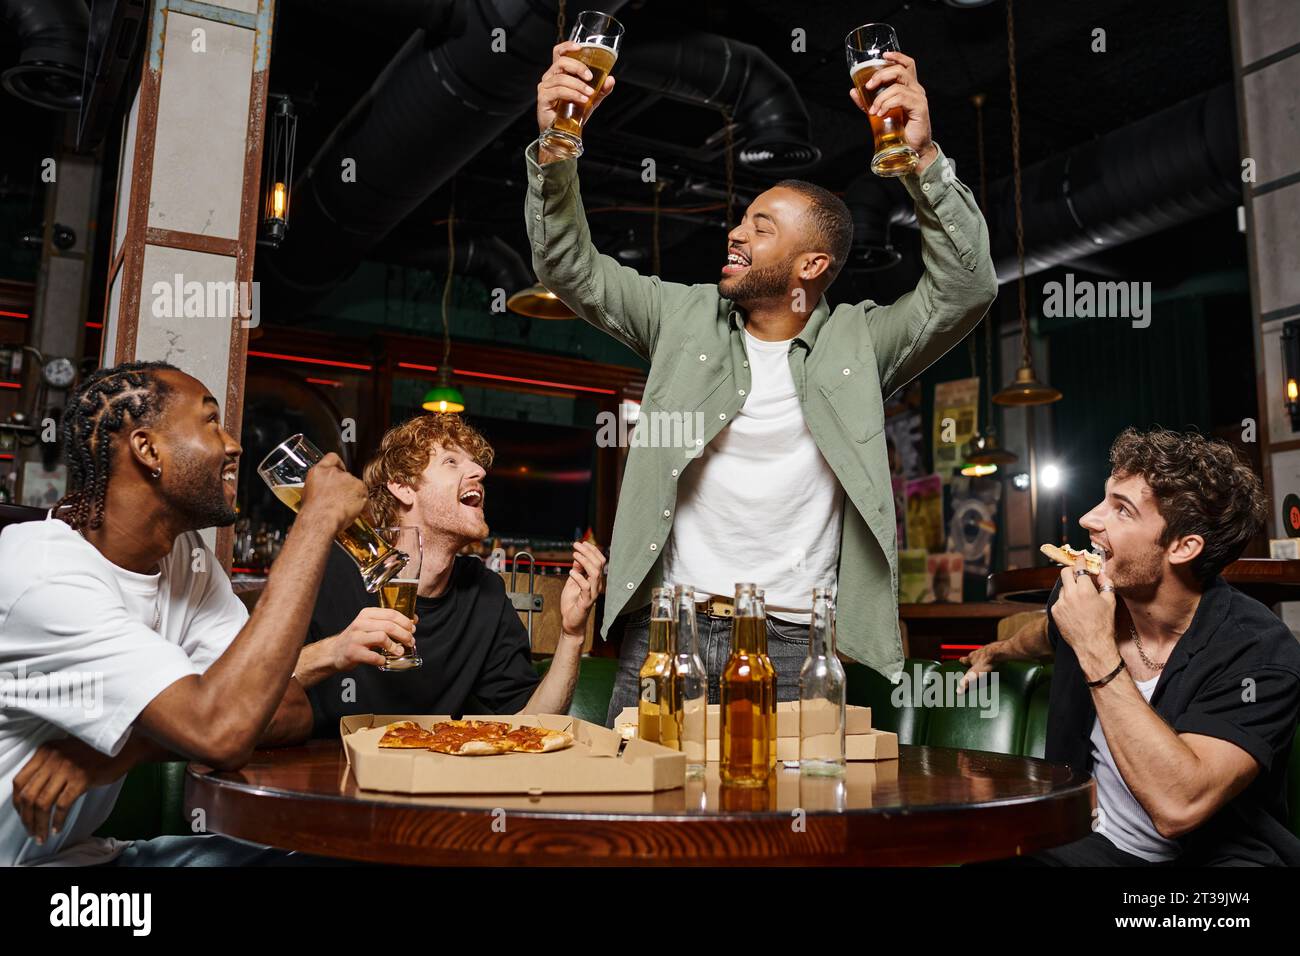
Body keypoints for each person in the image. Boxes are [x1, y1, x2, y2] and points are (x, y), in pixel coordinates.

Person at [526, 41, 998, 725]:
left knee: (785, 825)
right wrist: (554, 147)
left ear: (811, 265)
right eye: (743, 219)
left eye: (760, 227)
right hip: (668, 633)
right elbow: (569, 267)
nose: (734, 233)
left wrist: (923, 161)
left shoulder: (860, 345)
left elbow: (968, 286)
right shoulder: (681, 317)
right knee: (645, 821)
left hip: (795, 643)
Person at [1, 361, 361, 865]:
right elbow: (223, 731)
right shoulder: (45, 576)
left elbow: (288, 708)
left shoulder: (186, 560)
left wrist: (126, 750)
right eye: (211, 421)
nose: (233, 444)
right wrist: (316, 521)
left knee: (323, 857)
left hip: (88, 856)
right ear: (148, 449)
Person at [961, 427, 1300, 865]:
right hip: (1089, 846)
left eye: (1122, 510)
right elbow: (1044, 635)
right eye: (1105, 498)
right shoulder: (1085, 600)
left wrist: (1097, 650)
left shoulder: (1260, 652)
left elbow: (1179, 806)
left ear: (1183, 546)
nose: (1088, 519)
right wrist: (998, 651)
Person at [298, 413, 605, 731]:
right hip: (329, 768)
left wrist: (572, 634)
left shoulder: (484, 592)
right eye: (451, 462)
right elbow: (253, 681)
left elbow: (530, 725)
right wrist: (335, 649)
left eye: (474, 464)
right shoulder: (330, 569)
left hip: (434, 770)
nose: (479, 471)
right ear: (403, 487)